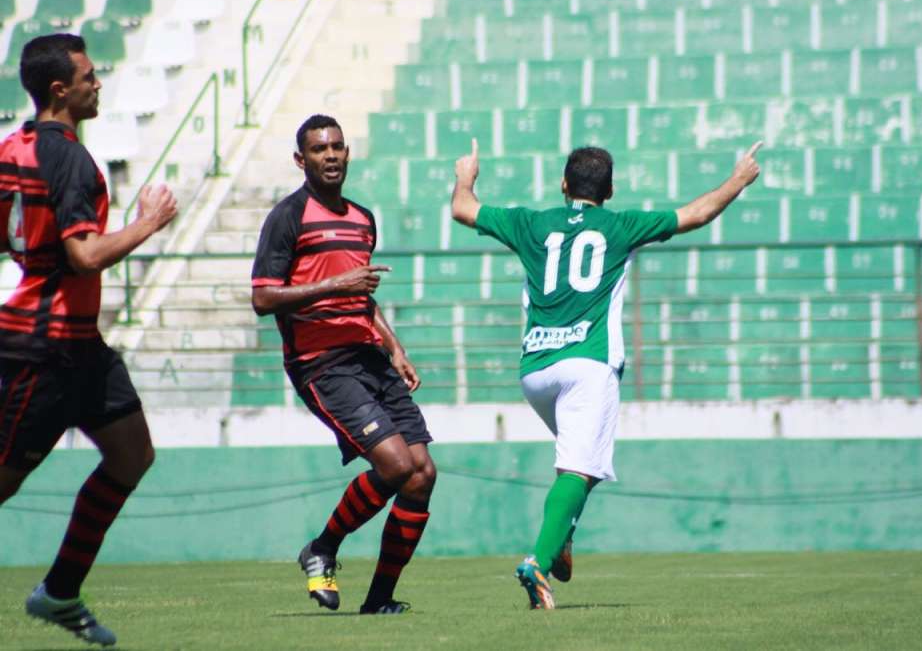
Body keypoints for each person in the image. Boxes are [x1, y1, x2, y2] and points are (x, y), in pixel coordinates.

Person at [450, 138, 762, 609]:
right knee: (580, 466)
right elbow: (695, 214)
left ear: (562, 184)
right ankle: (538, 561)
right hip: (587, 364)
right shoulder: (619, 226)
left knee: (583, 463)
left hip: (535, 371)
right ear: (609, 190)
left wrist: (466, 175)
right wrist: (739, 178)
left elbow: (463, 209)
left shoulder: (530, 222)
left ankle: (563, 535)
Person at [0, 34, 178, 645]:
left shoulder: (14, 148)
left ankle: (59, 592)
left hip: (80, 348)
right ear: (61, 90)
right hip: (40, 351)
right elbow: (84, 255)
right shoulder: (71, 158)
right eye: (89, 77)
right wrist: (149, 222)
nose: (98, 85)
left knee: (132, 456)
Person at [251, 114, 436, 615]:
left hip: (368, 354)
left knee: (421, 474)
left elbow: (363, 301)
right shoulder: (288, 217)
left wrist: (394, 347)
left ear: (347, 153)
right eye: (318, 149)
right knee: (396, 465)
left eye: (336, 147)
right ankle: (322, 548)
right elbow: (264, 299)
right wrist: (337, 287)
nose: (329, 156)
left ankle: (378, 601)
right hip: (321, 362)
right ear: (300, 160)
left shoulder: (362, 218)